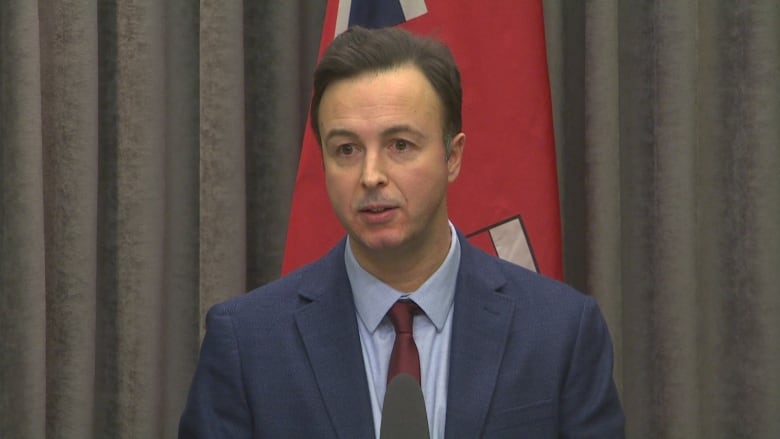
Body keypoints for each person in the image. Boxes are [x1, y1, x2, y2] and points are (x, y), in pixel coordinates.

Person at [179, 26, 625, 438]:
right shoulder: (248, 342)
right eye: (347, 149)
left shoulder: (561, 332)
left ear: (453, 156)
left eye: (400, 145)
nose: (371, 175)